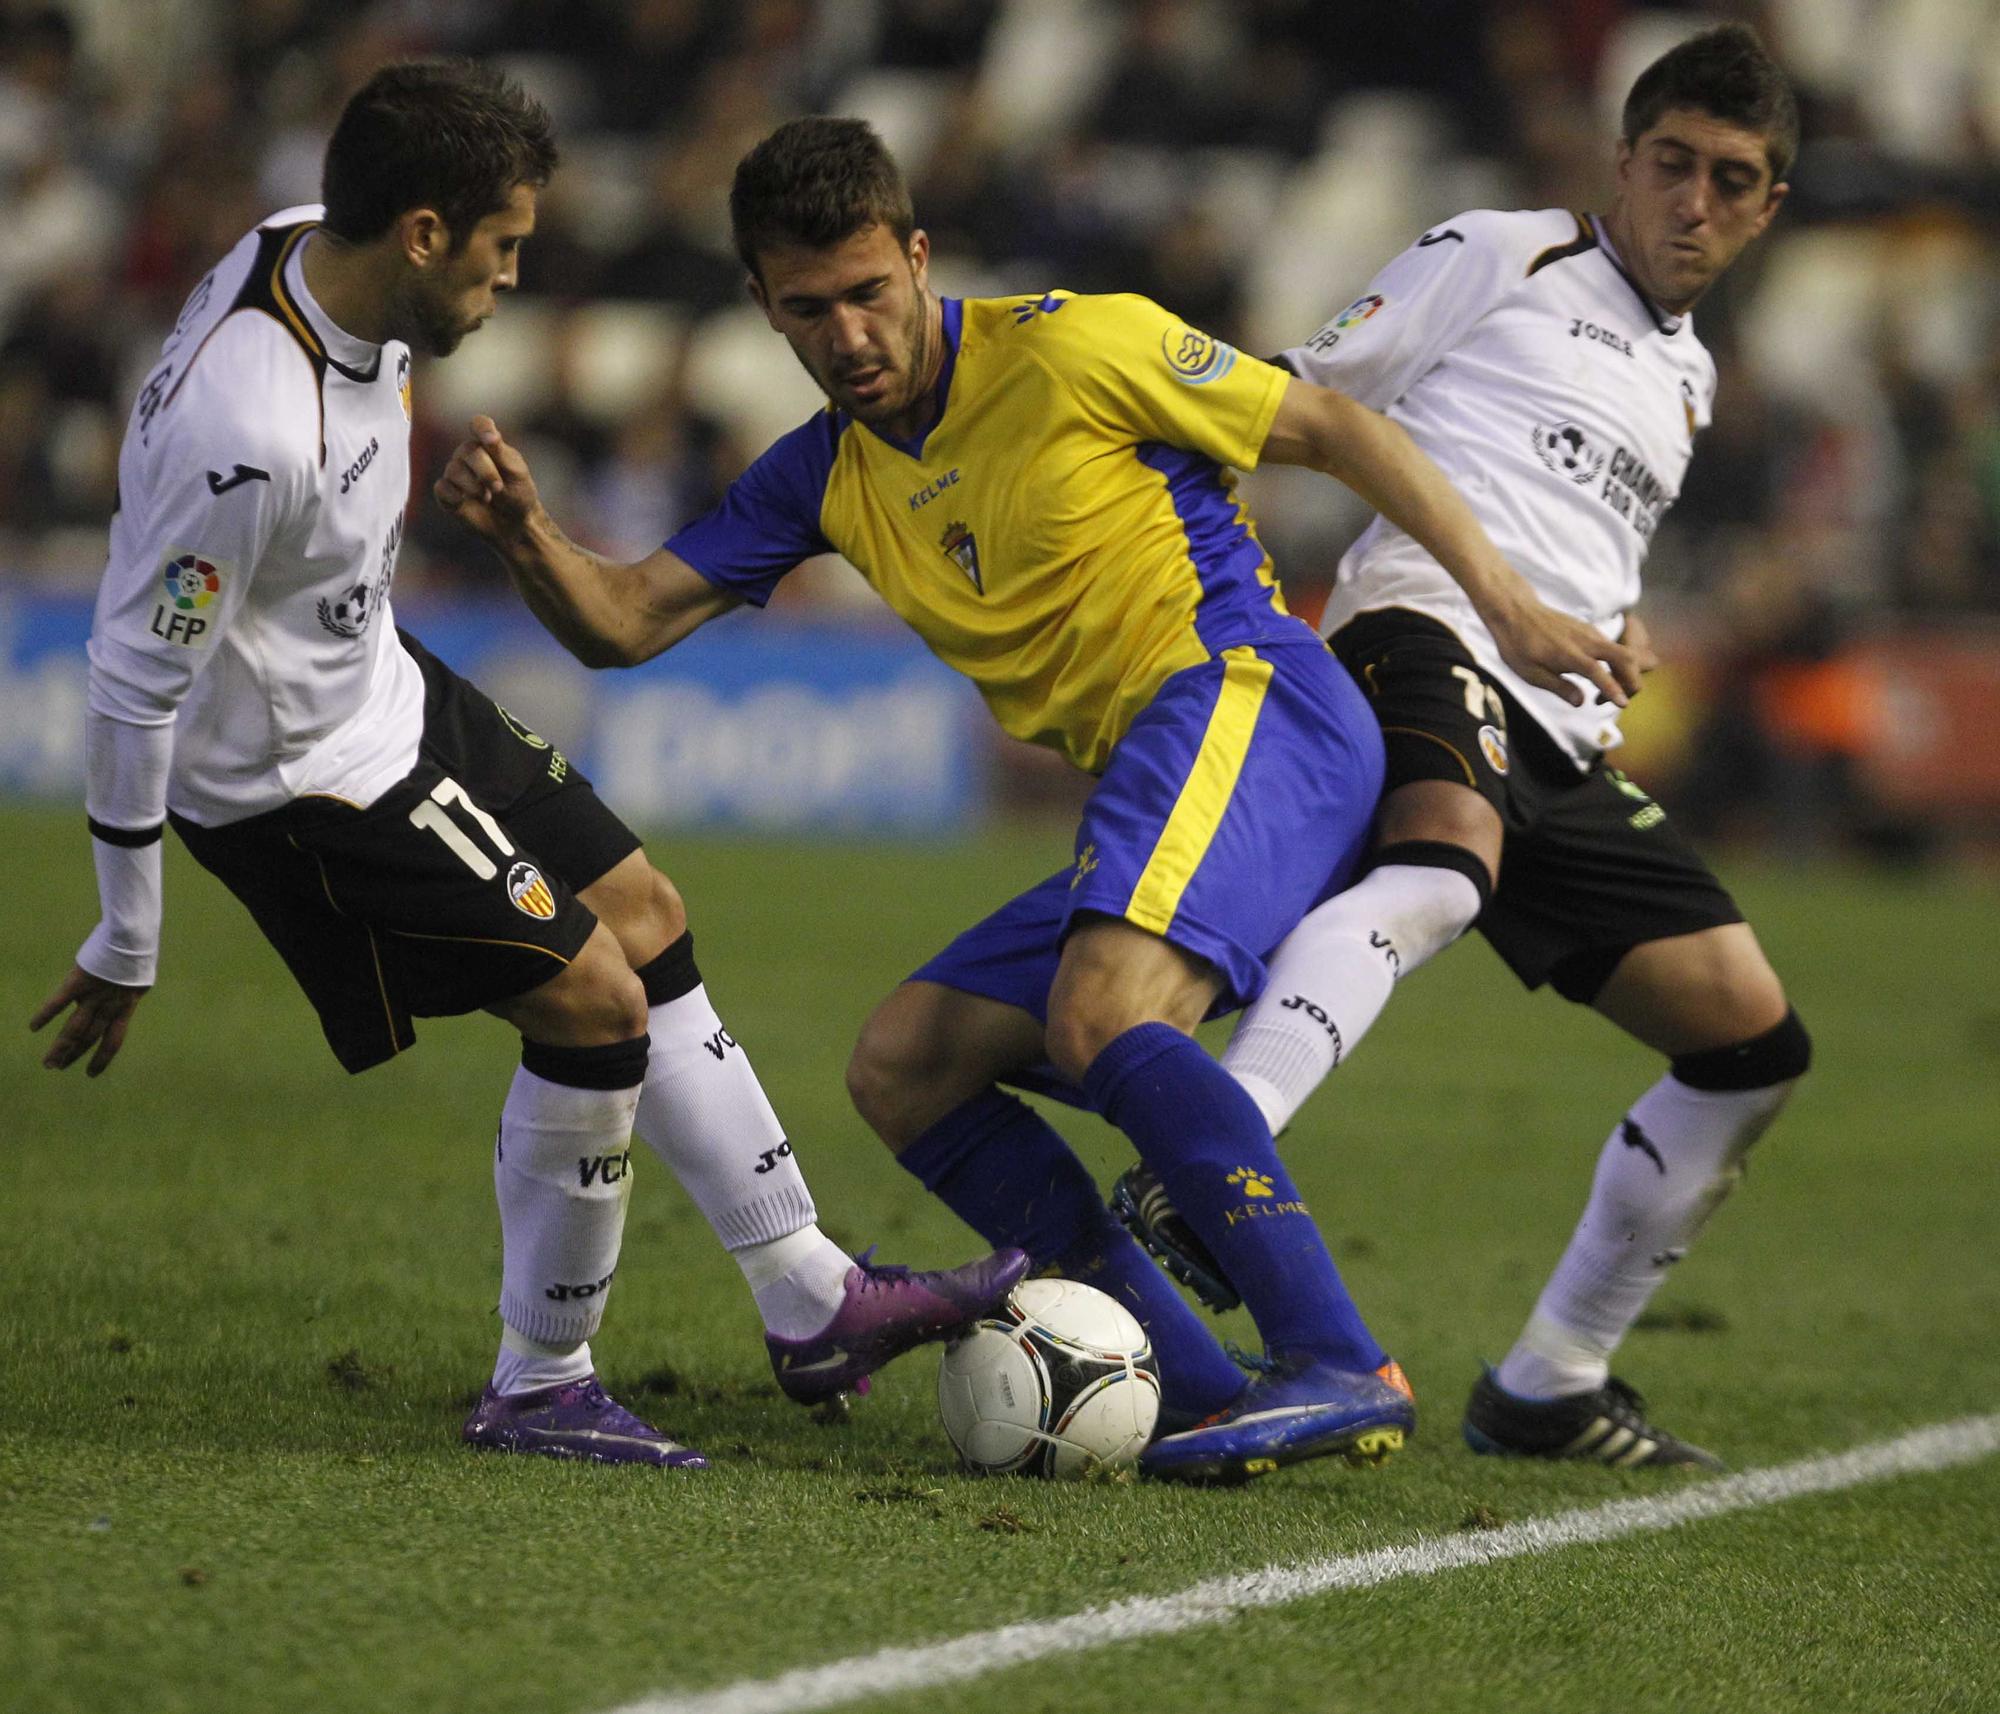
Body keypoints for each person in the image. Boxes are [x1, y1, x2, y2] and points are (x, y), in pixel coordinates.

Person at [436, 116, 1640, 1482]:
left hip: (1248, 696)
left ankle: (1339, 1358)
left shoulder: (1072, 344)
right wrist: (529, 533)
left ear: (920, 258)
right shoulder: (823, 472)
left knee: (1101, 1011)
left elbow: (1331, 424)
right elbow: (626, 619)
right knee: (907, 1061)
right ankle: (1193, 1387)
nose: (848, 335)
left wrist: (1510, 604)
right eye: (809, 309)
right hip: (1156, 768)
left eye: (870, 293)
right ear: (765, 307)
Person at [28, 60, 1026, 1472]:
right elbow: (136, 670)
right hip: (300, 784)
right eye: (501, 251)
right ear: (421, 234)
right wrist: (127, 931)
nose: (511, 283)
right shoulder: (245, 437)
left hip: (382, 683)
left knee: (649, 917)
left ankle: (812, 1298)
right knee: (592, 1002)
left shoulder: (313, 240)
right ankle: (542, 1378)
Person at [1115, 25, 1811, 1469]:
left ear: (1766, 207)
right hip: (1419, 626)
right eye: (1669, 164)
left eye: (1727, 179)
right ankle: (1213, 1152)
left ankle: (1551, 1376)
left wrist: (1608, 634)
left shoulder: (1694, 380)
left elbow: (1580, 535)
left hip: (1564, 718)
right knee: (1443, 870)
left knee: (1749, 1042)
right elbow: (1290, 400)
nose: (1691, 200)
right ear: (1621, 163)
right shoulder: (1502, 253)